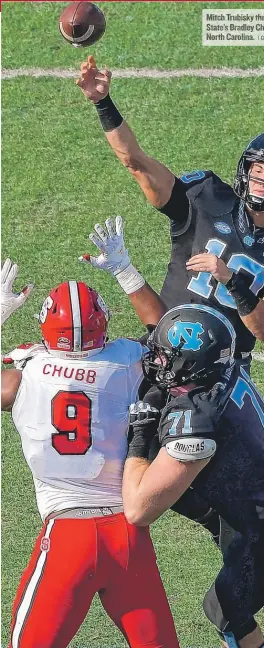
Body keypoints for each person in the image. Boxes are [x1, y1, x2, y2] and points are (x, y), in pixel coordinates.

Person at [76, 54, 264, 547]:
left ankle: (234, 534)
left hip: (219, 380)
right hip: (157, 348)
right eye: (258, 169)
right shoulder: (206, 195)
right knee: (110, 450)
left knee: (207, 475)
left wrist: (232, 280)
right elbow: (135, 162)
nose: (263, 181)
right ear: (244, 168)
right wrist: (103, 103)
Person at [120, 303, 264, 648]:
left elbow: (139, 509)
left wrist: (139, 435)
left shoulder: (197, 417)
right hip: (256, 523)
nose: (156, 362)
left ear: (189, 366)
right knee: (226, 611)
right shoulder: (219, 371)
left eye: (165, 356)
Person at [1, 252, 179, 648]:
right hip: (128, 533)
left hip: (68, 535)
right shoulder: (129, 361)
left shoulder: (22, 374)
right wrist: (125, 271)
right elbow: (169, 332)